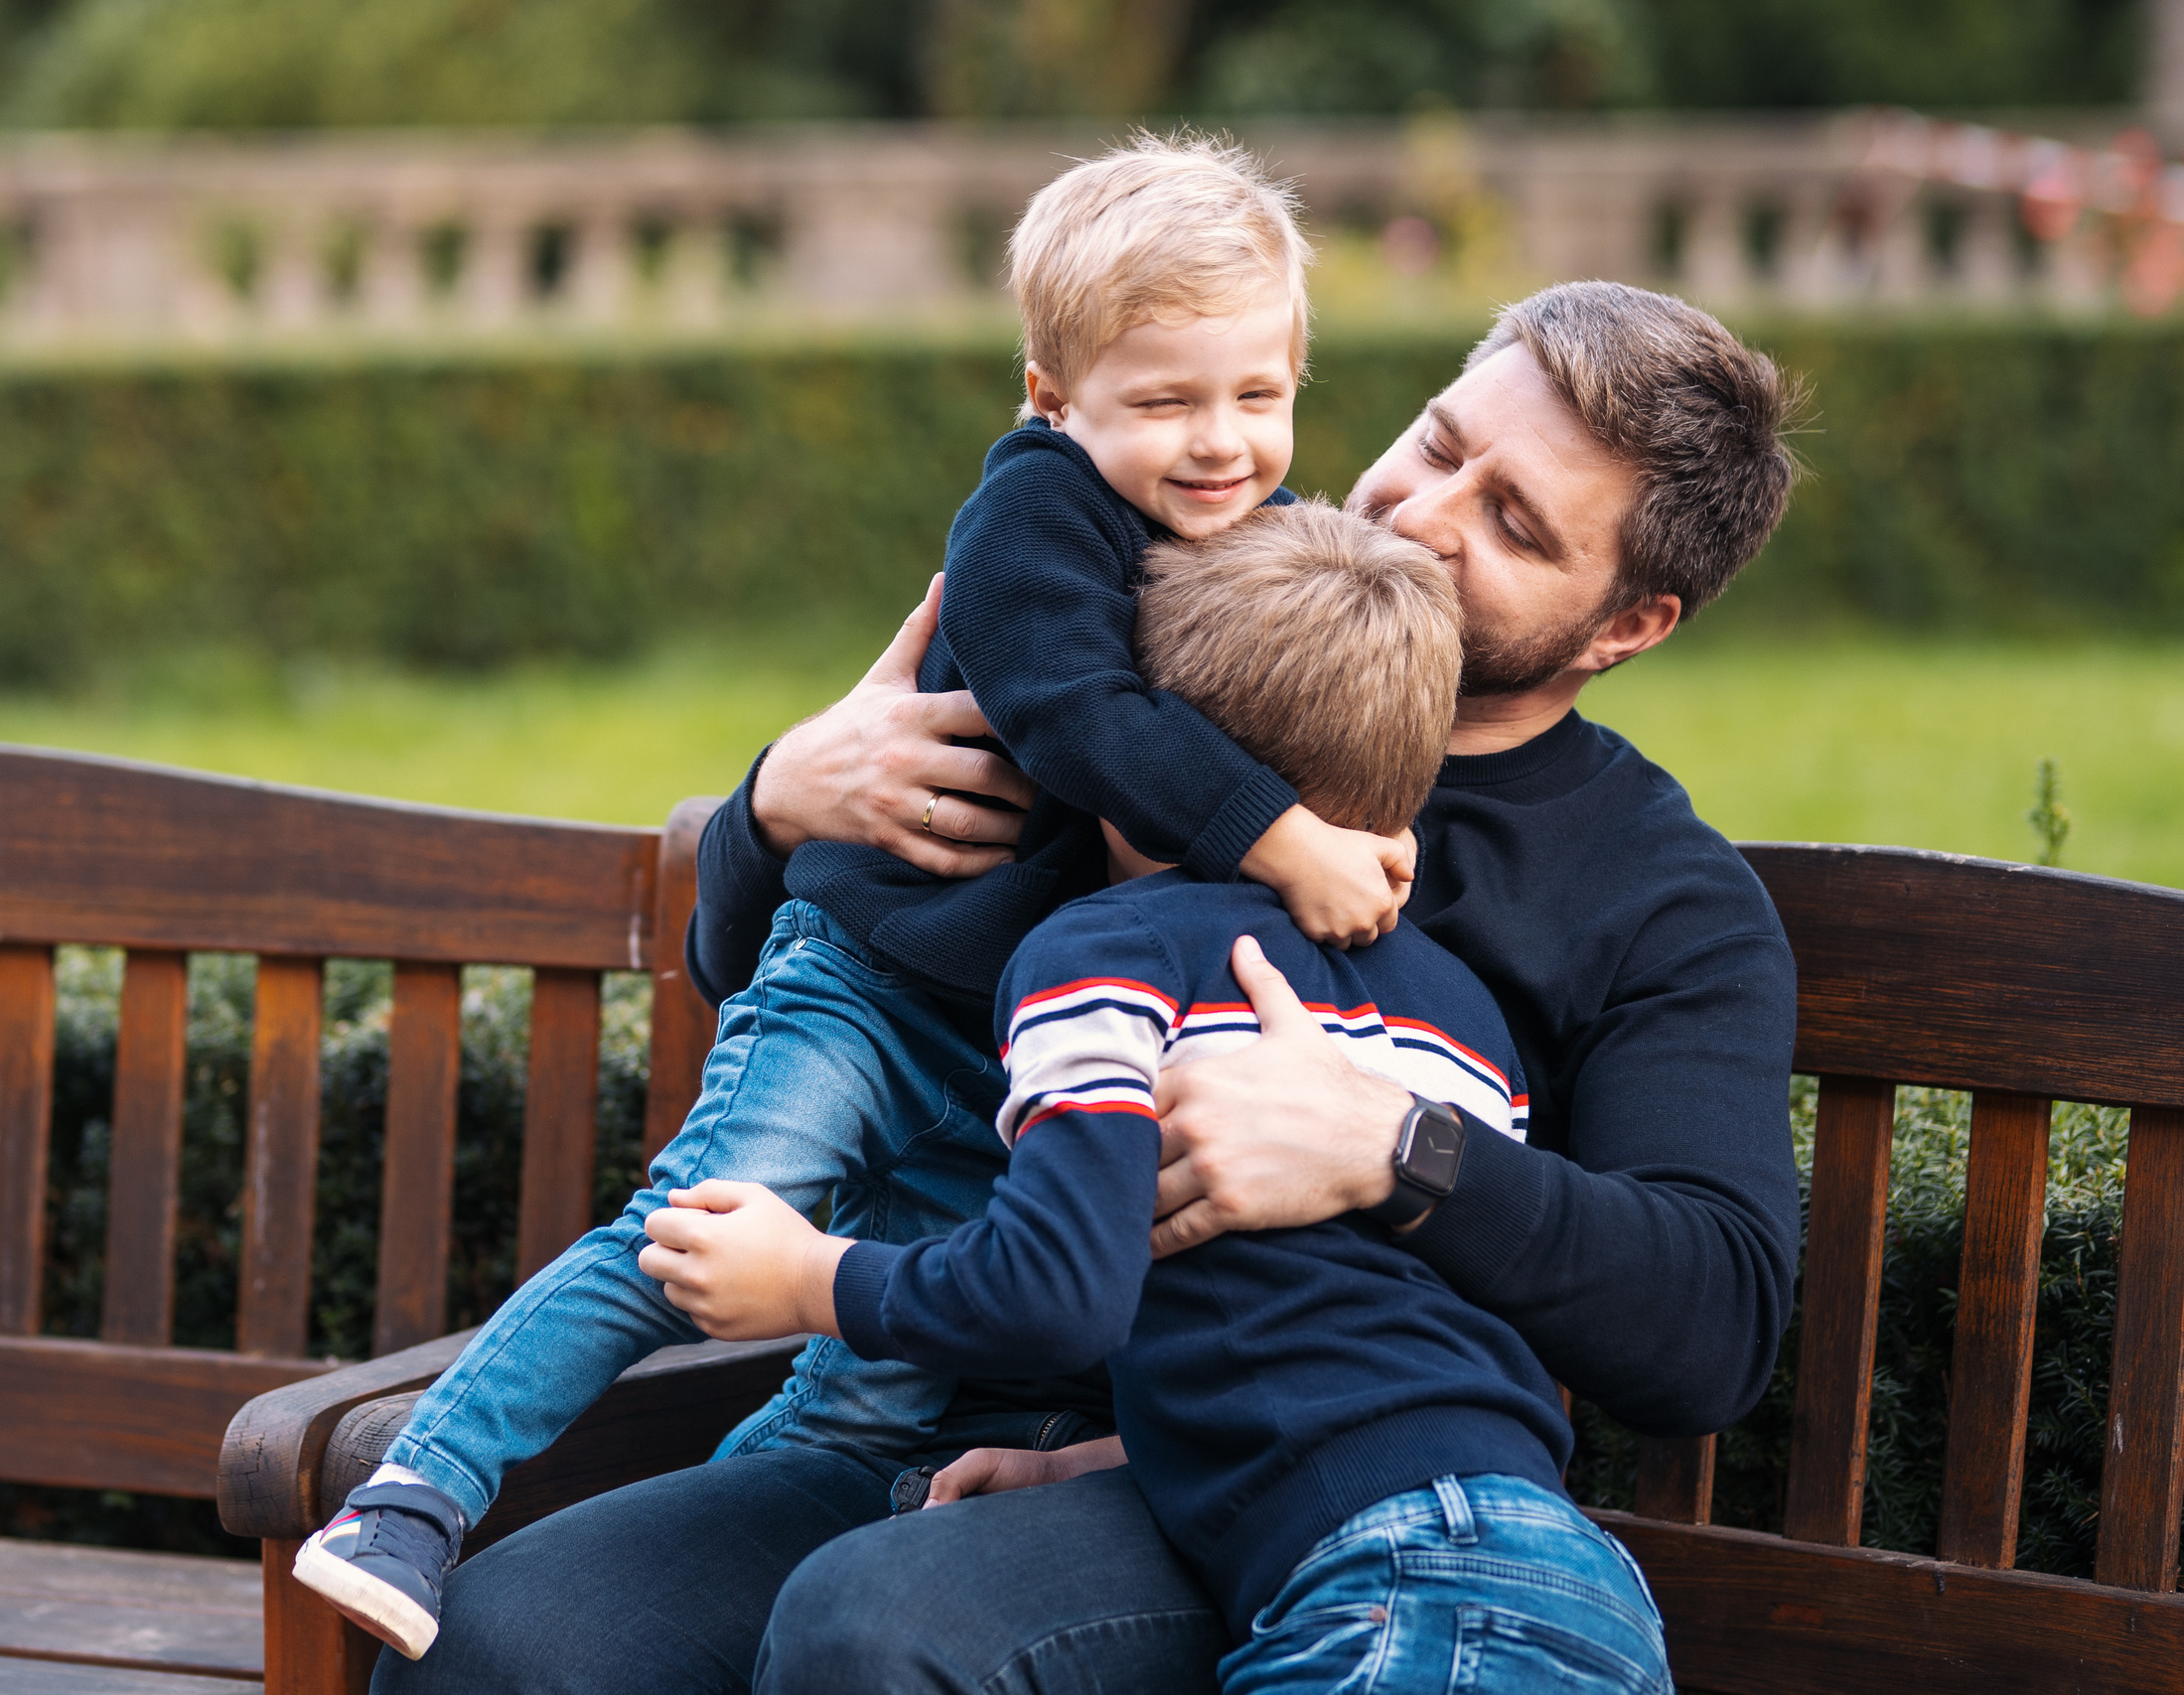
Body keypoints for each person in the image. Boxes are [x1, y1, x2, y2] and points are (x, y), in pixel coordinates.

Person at [391, 279, 1804, 1695]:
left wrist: (1389, 1146)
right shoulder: (1181, 624)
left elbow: (1712, 1324)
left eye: (1514, 523)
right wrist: (778, 806)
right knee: (498, 1649)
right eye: (1440, 444)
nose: (1423, 514)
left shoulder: (1653, 892)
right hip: (907, 1381)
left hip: (1262, 1466)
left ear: (1625, 623)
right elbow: (782, 986)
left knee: (880, 1623)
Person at [308, 133, 1404, 1662]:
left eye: (1257, 394)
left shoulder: (1242, 536)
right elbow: (1079, 720)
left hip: (998, 1042)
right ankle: (420, 1488)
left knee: (872, 1386)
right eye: (1163, 399)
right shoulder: (1034, 515)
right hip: (867, 983)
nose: (1219, 440)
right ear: (1049, 395)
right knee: (693, 1225)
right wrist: (1291, 837)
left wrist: (1366, 818)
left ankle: (714, 1597)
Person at [640, 498, 1671, 1693]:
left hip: (1380, 1590)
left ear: (1123, 781)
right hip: (1549, 1565)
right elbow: (1350, 1326)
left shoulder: (1103, 960)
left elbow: (1057, 1294)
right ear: (1397, 807)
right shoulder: (1455, 1005)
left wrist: (809, 1279)